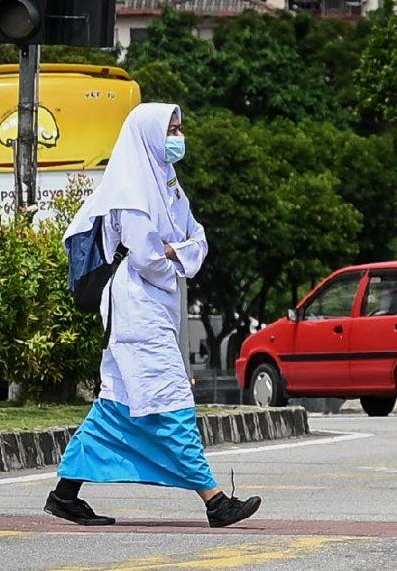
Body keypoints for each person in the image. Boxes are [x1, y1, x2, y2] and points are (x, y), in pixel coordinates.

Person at [44, 103, 262, 528]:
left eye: (179, 129)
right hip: (135, 311)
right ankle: (214, 500)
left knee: (116, 408)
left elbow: (196, 238)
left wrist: (173, 253)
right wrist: (173, 258)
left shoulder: (169, 187)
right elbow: (146, 256)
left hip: (153, 308)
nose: (177, 138)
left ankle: (64, 495)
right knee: (170, 400)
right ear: (146, 136)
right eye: (170, 131)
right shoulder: (129, 190)